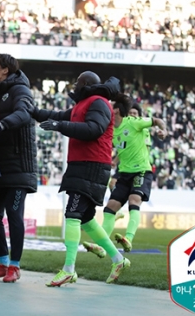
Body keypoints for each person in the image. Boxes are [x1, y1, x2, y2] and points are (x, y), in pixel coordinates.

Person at [32, 71, 130, 286]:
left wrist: (60, 127)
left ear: (85, 84)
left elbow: (94, 129)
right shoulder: (83, 104)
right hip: (82, 164)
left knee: (73, 214)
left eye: (77, 82)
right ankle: (118, 260)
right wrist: (33, 111)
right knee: (85, 218)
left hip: (92, 165)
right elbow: (58, 116)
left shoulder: (98, 102)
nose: (74, 86)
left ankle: (69, 269)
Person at [83, 94, 167, 257]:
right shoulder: (111, 130)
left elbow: (156, 121)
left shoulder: (135, 124)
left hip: (141, 170)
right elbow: (124, 148)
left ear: (117, 110)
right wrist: (113, 160)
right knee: (110, 208)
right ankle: (102, 245)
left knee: (134, 200)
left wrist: (163, 130)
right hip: (124, 172)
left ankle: (128, 238)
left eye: (111, 106)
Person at [0, 54, 37, 283]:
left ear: (5, 70)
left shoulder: (20, 91)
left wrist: (1, 125)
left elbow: (24, 114)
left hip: (18, 167)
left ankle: (15, 265)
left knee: (14, 215)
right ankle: (3, 263)